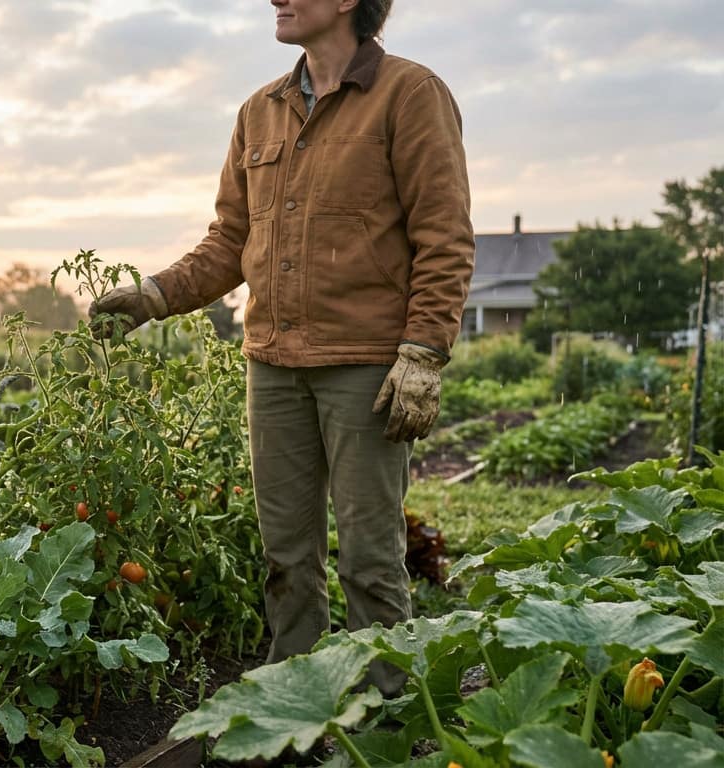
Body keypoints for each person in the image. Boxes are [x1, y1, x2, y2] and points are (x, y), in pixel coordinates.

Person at [89, 0, 474, 696]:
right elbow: (229, 243)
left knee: (369, 557)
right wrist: (153, 295)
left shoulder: (409, 94)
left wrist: (423, 351)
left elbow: (443, 236)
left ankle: (386, 708)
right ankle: (293, 703)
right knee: (286, 557)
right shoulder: (259, 112)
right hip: (272, 364)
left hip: (365, 367)